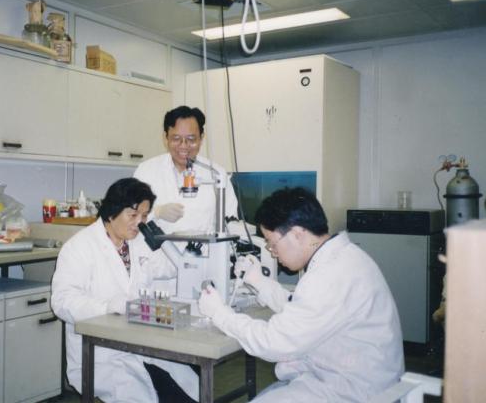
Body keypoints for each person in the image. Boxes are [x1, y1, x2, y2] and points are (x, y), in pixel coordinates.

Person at [198, 187, 404, 402]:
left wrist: (220, 313)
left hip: (353, 392)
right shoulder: (343, 257)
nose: (272, 252)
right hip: (346, 377)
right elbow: (301, 308)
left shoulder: (329, 274)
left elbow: (274, 342)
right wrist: (259, 282)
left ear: (297, 234)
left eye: (272, 243)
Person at [51, 178, 198, 403]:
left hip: (141, 346)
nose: (139, 223)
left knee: (188, 391)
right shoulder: (79, 247)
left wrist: (189, 252)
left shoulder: (137, 242)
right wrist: (106, 308)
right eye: (133, 215)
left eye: (144, 216)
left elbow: (167, 267)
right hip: (100, 356)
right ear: (112, 213)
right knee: (143, 395)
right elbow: (62, 302)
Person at [133, 105, 238, 235]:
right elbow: (128, 218)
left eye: (191, 139)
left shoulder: (217, 174)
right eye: (176, 139)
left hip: (204, 248)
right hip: (157, 248)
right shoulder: (146, 171)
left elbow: (231, 222)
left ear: (201, 138)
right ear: (166, 138)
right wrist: (156, 212)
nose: (183, 146)